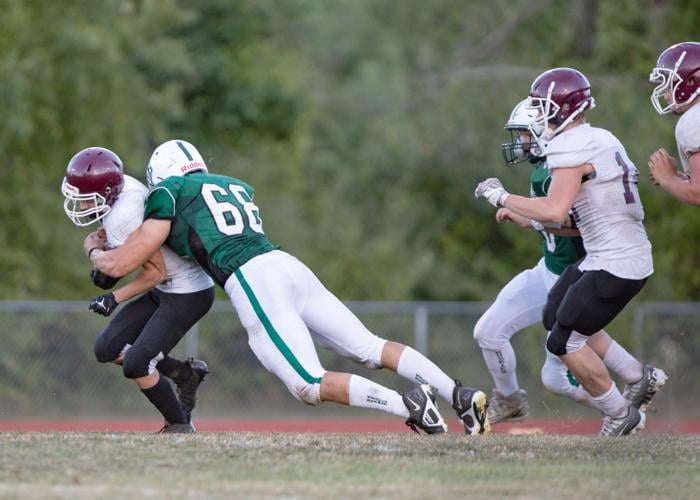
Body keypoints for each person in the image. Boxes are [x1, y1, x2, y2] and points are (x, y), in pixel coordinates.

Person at [88, 139, 490, 435]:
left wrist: (97, 251)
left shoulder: (167, 191)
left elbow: (134, 253)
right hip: (287, 264)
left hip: (253, 280)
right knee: (369, 346)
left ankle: (407, 404)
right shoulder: (234, 185)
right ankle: (457, 391)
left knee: (308, 383)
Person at [475, 68, 665, 436]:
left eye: (542, 108)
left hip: (615, 259)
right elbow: (565, 217)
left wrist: (499, 195)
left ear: (560, 109)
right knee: (555, 317)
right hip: (609, 254)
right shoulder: (600, 137)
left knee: (564, 341)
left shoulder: (566, 147)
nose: (539, 119)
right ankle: (636, 378)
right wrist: (527, 218)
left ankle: (620, 411)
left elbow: (554, 212)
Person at [62, 146, 215, 433]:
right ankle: (186, 375)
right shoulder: (123, 190)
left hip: (187, 292)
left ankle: (179, 427)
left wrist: (101, 266)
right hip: (169, 288)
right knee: (107, 348)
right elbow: (134, 258)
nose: (81, 205)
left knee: (137, 363)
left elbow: (156, 273)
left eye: (86, 199)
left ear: (107, 192)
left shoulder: (123, 214)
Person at [648, 41, 700, 204]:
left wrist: (668, 178)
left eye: (669, 86)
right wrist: (681, 178)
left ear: (691, 81)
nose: (665, 95)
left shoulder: (693, 119)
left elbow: (698, 193)